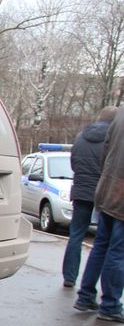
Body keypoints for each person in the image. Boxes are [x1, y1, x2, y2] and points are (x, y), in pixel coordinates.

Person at [75, 105, 124, 322]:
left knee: (102, 246)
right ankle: (110, 306)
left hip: (106, 187)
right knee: (117, 250)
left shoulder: (121, 114)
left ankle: (85, 296)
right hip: (120, 193)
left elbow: (106, 151)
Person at [63, 106, 118, 287]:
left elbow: (73, 163)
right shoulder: (113, 139)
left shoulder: (80, 137)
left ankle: (70, 277)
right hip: (103, 194)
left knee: (76, 235)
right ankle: (99, 283)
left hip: (80, 190)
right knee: (104, 241)